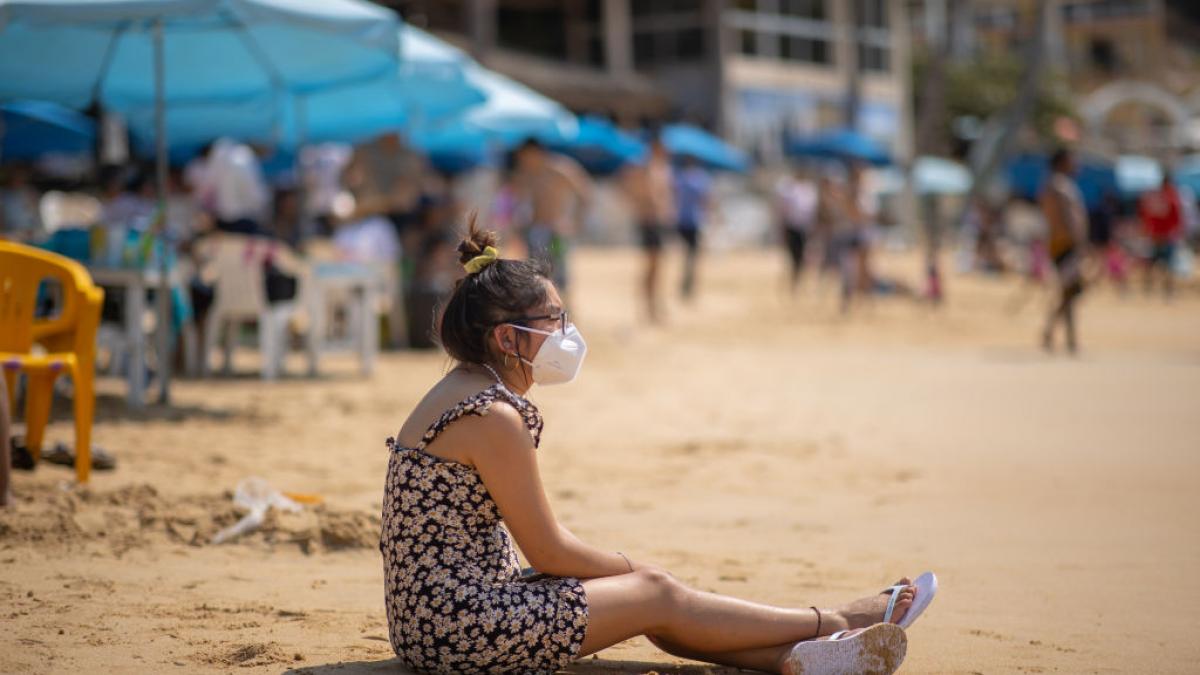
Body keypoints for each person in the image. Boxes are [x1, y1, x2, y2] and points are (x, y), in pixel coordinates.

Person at [380, 218, 930, 675]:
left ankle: (796, 659)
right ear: (507, 337)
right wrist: (637, 569)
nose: (566, 333)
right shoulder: (493, 415)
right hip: (459, 630)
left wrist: (632, 579)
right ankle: (833, 620)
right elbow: (547, 551)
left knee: (653, 605)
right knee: (655, 594)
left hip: (432, 619)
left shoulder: (461, 388)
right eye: (554, 320)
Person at [511, 138, 592, 298]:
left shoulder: (559, 169)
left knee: (559, 271)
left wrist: (575, 221)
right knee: (536, 275)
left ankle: (565, 311)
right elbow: (517, 203)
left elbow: (584, 194)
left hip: (556, 230)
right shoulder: (525, 174)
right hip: (534, 231)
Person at [621, 137, 676, 322]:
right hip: (649, 221)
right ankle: (648, 307)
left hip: (657, 221)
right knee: (652, 266)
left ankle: (653, 305)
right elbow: (626, 186)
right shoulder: (644, 167)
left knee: (657, 266)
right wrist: (641, 206)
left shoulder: (660, 168)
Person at [1039, 148, 1088, 354]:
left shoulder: (1055, 185)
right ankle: (1060, 335)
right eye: (1071, 160)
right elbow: (1066, 218)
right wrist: (1078, 241)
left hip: (1062, 243)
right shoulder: (1058, 186)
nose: (1075, 164)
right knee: (1071, 289)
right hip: (1065, 244)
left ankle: (1064, 336)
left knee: (1069, 290)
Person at [773, 164, 819, 296]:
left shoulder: (809, 190)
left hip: (806, 228)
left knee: (805, 258)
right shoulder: (789, 189)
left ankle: (799, 283)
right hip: (793, 227)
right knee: (795, 257)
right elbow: (783, 212)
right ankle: (794, 284)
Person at [674, 155, 713, 302]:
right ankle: (689, 285)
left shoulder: (680, 178)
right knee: (693, 255)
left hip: (682, 220)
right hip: (694, 221)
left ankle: (686, 283)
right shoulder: (700, 179)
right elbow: (706, 199)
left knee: (687, 254)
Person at [1138, 175, 1183, 299]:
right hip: (1165, 237)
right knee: (1167, 265)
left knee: (1151, 264)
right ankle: (1167, 291)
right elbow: (1177, 219)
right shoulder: (1172, 198)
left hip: (1155, 236)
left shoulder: (1154, 198)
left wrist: (1146, 230)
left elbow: (1146, 216)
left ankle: (1148, 289)